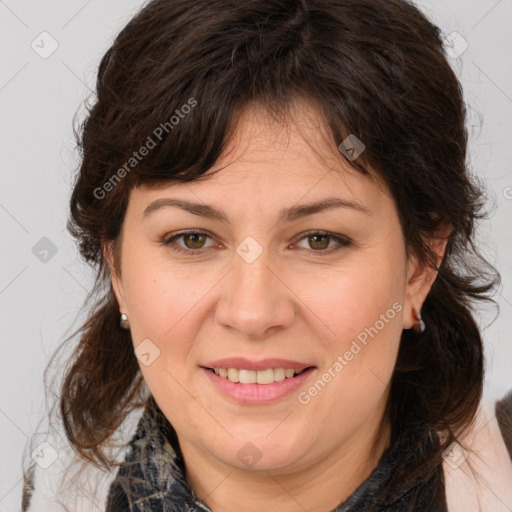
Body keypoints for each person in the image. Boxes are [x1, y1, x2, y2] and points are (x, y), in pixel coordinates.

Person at [21, 0, 512, 510]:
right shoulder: (51, 491)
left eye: (319, 239)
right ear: (118, 267)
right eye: (193, 238)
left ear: (419, 264)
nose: (252, 313)